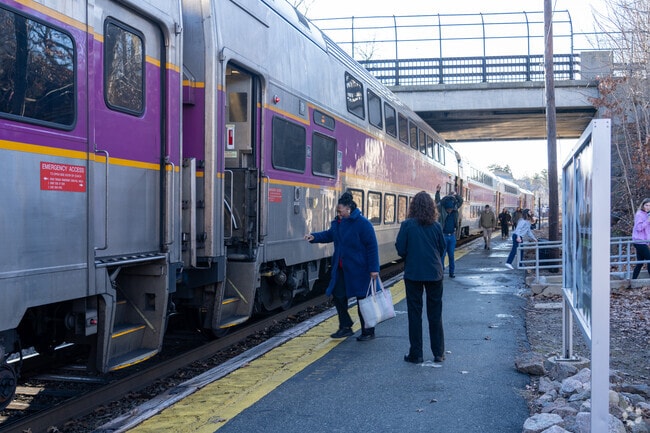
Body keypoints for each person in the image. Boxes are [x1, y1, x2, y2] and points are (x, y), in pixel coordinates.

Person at [305, 191, 380, 341]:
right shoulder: (338, 223)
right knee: (338, 296)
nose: (338, 214)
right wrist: (314, 237)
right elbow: (329, 235)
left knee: (363, 300)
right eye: (337, 211)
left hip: (359, 269)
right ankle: (345, 327)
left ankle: (368, 330)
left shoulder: (363, 224)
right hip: (342, 269)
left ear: (348, 209)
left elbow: (372, 246)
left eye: (340, 211)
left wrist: (374, 269)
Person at [395, 191, 446, 364]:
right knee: (435, 313)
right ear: (432, 207)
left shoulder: (407, 225)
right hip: (434, 274)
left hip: (414, 274)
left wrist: (412, 255)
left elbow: (400, 249)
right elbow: (442, 248)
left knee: (414, 314)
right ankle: (438, 353)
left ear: (413, 206)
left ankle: (416, 354)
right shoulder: (436, 226)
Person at [631, 198, 650, 279]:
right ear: (643, 205)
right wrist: (647, 221)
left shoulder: (647, 214)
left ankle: (633, 279)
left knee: (640, 263)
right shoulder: (639, 214)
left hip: (644, 241)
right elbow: (638, 228)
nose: (648, 207)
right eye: (646, 205)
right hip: (639, 241)